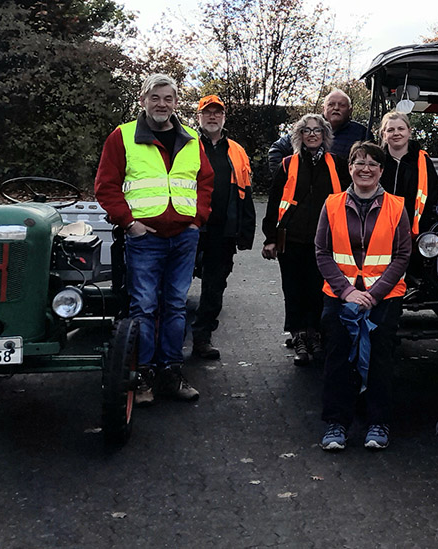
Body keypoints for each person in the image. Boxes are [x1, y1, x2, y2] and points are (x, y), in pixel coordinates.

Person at [94, 73, 212, 403]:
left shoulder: (191, 139)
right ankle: (142, 375)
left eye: (168, 98)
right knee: (143, 307)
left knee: (175, 306)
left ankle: (170, 372)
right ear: (143, 100)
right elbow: (106, 186)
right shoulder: (123, 137)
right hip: (144, 238)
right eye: (155, 98)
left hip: (184, 238)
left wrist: (197, 219)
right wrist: (129, 223)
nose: (162, 104)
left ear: (176, 102)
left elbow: (205, 183)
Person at [315, 142, 412, 451]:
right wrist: (348, 292)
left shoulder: (397, 206)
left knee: (380, 359)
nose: (365, 168)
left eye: (372, 163)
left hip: (383, 297)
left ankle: (378, 423)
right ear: (350, 168)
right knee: (338, 357)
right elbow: (322, 252)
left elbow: (402, 254)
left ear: (382, 171)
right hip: (341, 296)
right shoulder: (331, 204)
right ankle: (336, 424)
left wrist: (374, 293)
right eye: (359, 163)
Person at [261, 113, 351, 366]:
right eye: (307, 131)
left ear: (325, 135)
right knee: (294, 291)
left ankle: (316, 335)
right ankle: (299, 336)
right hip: (292, 241)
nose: (312, 134)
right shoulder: (287, 164)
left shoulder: (338, 164)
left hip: (327, 242)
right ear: (298, 136)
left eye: (317, 130)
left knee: (319, 290)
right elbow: (273, 202)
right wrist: (270, 238)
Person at [191, 95, 256, 360]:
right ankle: (164, 345)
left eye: (217, 113)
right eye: (207, 113)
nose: (212, 117)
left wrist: (245, 231)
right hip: (189, 226)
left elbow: (246, 192)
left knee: (214, 287)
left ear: (224, 117)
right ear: (199, 117)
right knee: (173, 287)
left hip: (222, 230)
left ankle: (202, 339)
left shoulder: (237, 150)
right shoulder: (187, 144)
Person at [268, 89, 374, 175]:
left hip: (340, 195)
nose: (336, 108)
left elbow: (373, 163)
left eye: (342, 105)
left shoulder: (361, 133)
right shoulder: (307, 127)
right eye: (331, 104)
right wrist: (284, 176)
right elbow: (276, 149)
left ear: (350, 110)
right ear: (323, 108)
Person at [377, 111, 438, 236]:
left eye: (401, 128)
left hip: (413, 231)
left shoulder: (423, 161)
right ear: (383, 134)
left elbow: (432, 194)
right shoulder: (375, 160)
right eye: (390, 130)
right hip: (378, 228)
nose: (396, 133)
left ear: (409, 131)